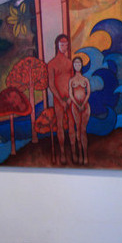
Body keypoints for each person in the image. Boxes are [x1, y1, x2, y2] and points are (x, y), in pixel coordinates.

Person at [47, 34, 76, 164]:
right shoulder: (51, 64)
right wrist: (60, 99)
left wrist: (70, 98)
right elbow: (51, 85)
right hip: (58, 100)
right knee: (59, 126)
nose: (64, 46)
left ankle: (74, 152)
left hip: (70, 98)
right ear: (57, 46)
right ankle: (63, 153)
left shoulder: (70, 63)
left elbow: (72, 81)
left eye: (66, 44)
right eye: (62, 44)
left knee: (71, 125)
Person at [68, 56, 91, 165]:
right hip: (75, 107)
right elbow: (71, 95)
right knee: (78, 129)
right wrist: (77, 104)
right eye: (75, 64)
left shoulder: (85, 80)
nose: (77, 65)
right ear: (73, 66)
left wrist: (83, 103)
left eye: (79, 64)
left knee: (83, 130)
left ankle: (86, 155)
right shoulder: (71, 80)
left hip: (85, 107)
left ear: (82, 65)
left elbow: (88, 93)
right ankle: (80, 155)